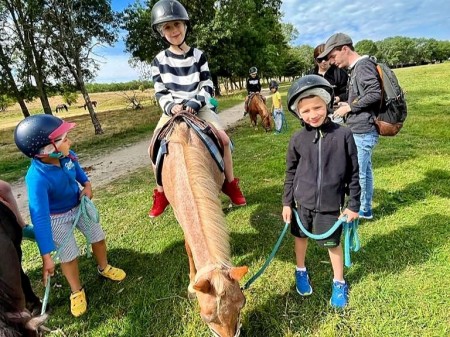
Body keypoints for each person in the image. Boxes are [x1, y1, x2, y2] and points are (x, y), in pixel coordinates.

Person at [14, 114, 126, 317]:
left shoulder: (67, 156)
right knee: (68, 256)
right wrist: (46, 255)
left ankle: (104, 267)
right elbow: (39, 217)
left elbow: (79, 173)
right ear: (47, 150)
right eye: (64, 139)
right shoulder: (36, 178)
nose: (70, 142)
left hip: (79, 206)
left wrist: (88, 185)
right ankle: (76, 291)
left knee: (98, 237)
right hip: (56, 218)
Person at [147, 0, 246, 218]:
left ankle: (229, 183)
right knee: (152, 149)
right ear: (162, 32)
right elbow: (160, 91)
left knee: (224, 139)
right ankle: (161, 192)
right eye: (168, 27)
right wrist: (172, 107)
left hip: (198, 107)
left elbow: (207, 85)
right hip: (171, 111)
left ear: (185, 25)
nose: (174, 31)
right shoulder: (158, 60)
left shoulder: (198, 55)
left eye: (177, 25)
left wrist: (195, 103)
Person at [282, 75, 360, 308]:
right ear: (298, 113)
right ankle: (301, 270)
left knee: (332, 245)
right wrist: (287, 202)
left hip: (329, 205)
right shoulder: (297, 139)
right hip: (302, 204)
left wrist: (353, 204)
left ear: (327, 104)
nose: (312, 114)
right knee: (300, 238)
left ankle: (339, 281)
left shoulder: (344, 135)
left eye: (317, 107)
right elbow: (290, 172)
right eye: (305, 111)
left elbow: (354, 173)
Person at [318, 33, 382, 219]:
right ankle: (365, 208)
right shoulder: (357, 68)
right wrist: (343, 101)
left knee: (359, 172)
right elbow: (363, 93)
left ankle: (360, 210)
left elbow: (374, 93)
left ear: (345, 49)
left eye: (333, 56)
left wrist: (349, 108)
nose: (332, 61)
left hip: (363, 129)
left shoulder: (362, 66)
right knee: (365, 171)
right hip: (362, 128)